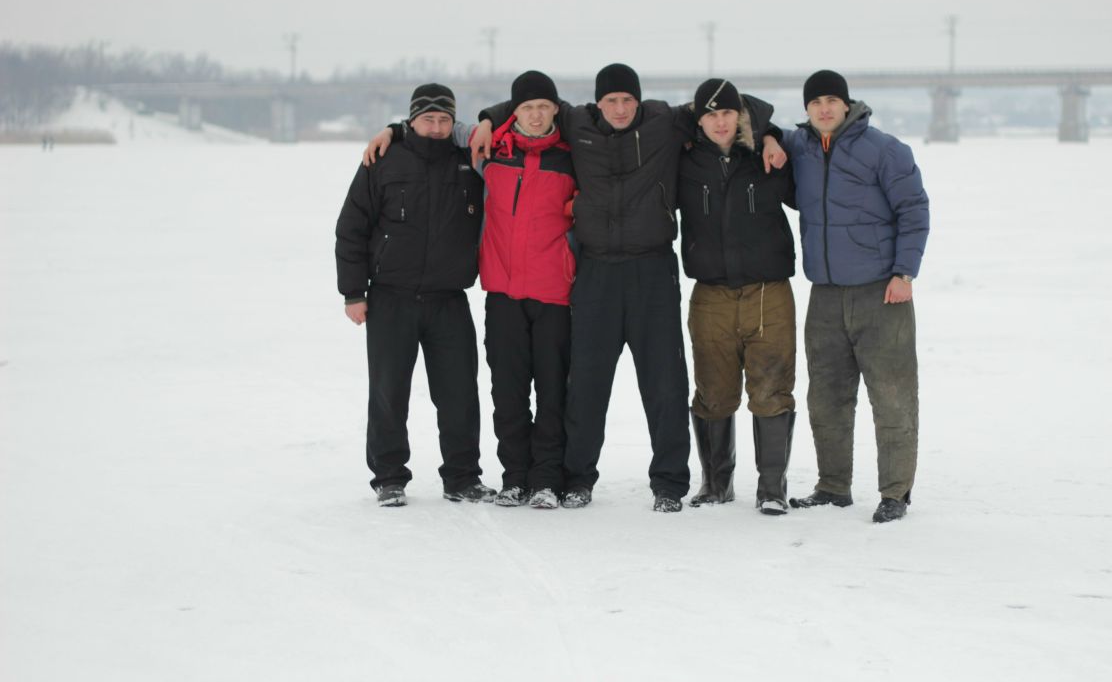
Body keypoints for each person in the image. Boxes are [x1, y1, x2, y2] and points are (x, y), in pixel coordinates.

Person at [470, 64, 787, 513]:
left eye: (627, 100)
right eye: (611, 101)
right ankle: (578, 479)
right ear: (598, 103)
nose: (619, 108)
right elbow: (530, 101)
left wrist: (769, 132)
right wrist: (487, 117)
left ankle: (669, 484)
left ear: (639, 101)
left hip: (652, 269)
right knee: (586, 382)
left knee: (664, 381)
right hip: (596, 272)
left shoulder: (664, 122)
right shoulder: (575, 122)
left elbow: (727, 105)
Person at [335, 83, 496, 507]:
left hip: (448, 298)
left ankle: (462, 477)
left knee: (460, 393)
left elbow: (511, 119)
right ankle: (389, 477)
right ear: (412, 119)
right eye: (429, 119)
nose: (438, 127)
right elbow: (352, 227)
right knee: (389, 392)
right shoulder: (384, 158)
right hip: (391, 297)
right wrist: (353, 292)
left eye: (445, 120)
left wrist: (482, 124)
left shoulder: (470, 159)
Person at [780, 70, 930, 523]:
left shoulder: (884, 149)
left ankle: (895, 492)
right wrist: (769, 137)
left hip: (881, 292)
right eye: (815, 102)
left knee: (892, 396)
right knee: (826, 397)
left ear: (847, 104)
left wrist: (905, 272)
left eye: (831, 100)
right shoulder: (798, 149)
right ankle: (832, 486)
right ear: (806, 109)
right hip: (824, 293)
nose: (824, 109)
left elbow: (914, 209)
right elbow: (750, 113)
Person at [677, 78, 799, 515]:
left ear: (741, 115)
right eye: (710, 114)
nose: (720, 122)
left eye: (728, 112)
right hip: (710, 293)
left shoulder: (767, 156)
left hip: (769, 293)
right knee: (713, 391)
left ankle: (772, 488)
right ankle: (716, 483)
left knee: (772, 389)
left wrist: (771, 135)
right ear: (699, 119)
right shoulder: (684, 161)